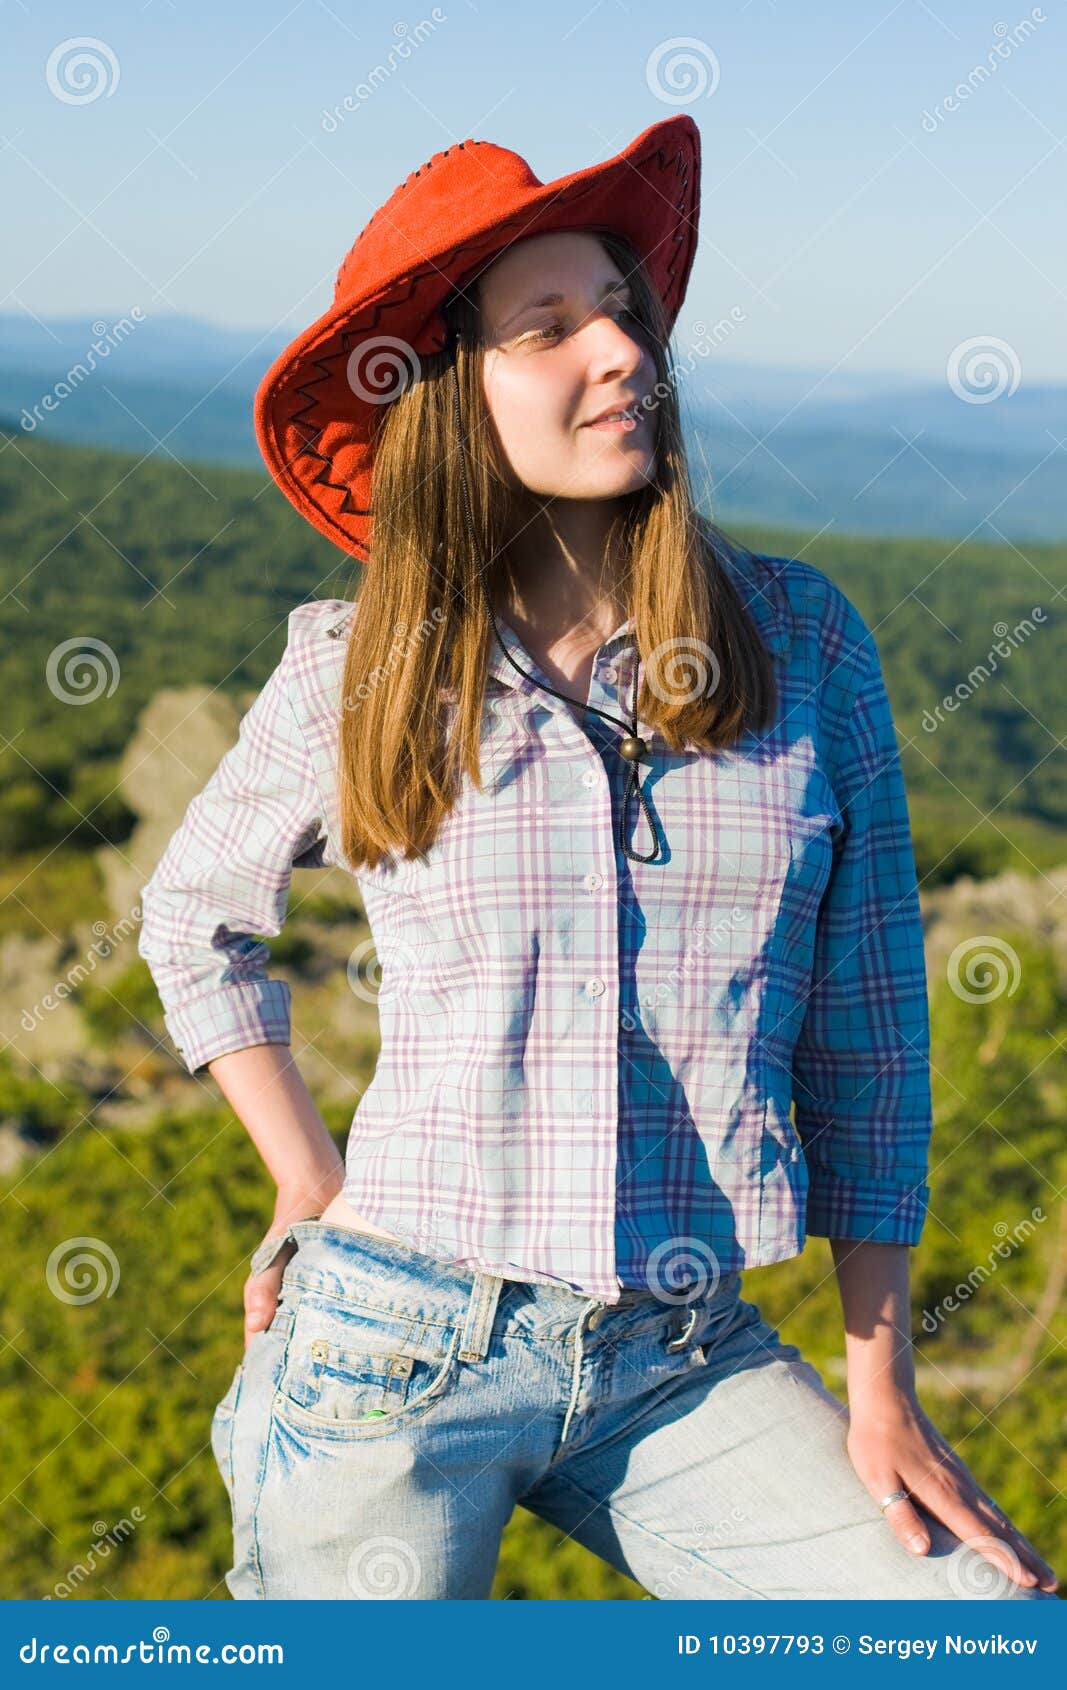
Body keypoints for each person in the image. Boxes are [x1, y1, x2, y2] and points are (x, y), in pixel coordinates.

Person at [137, 115, 1059, 1602]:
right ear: (450, 392)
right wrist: (306, 1178)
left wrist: (879, 1381)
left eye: (621, 312)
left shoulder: (804, 644)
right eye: (550, 327)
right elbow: (193, 918)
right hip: (392, 1345)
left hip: (680, 1351)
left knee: (973, 1622)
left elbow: (871, 1034)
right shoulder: (350, 668)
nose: (620, 350)